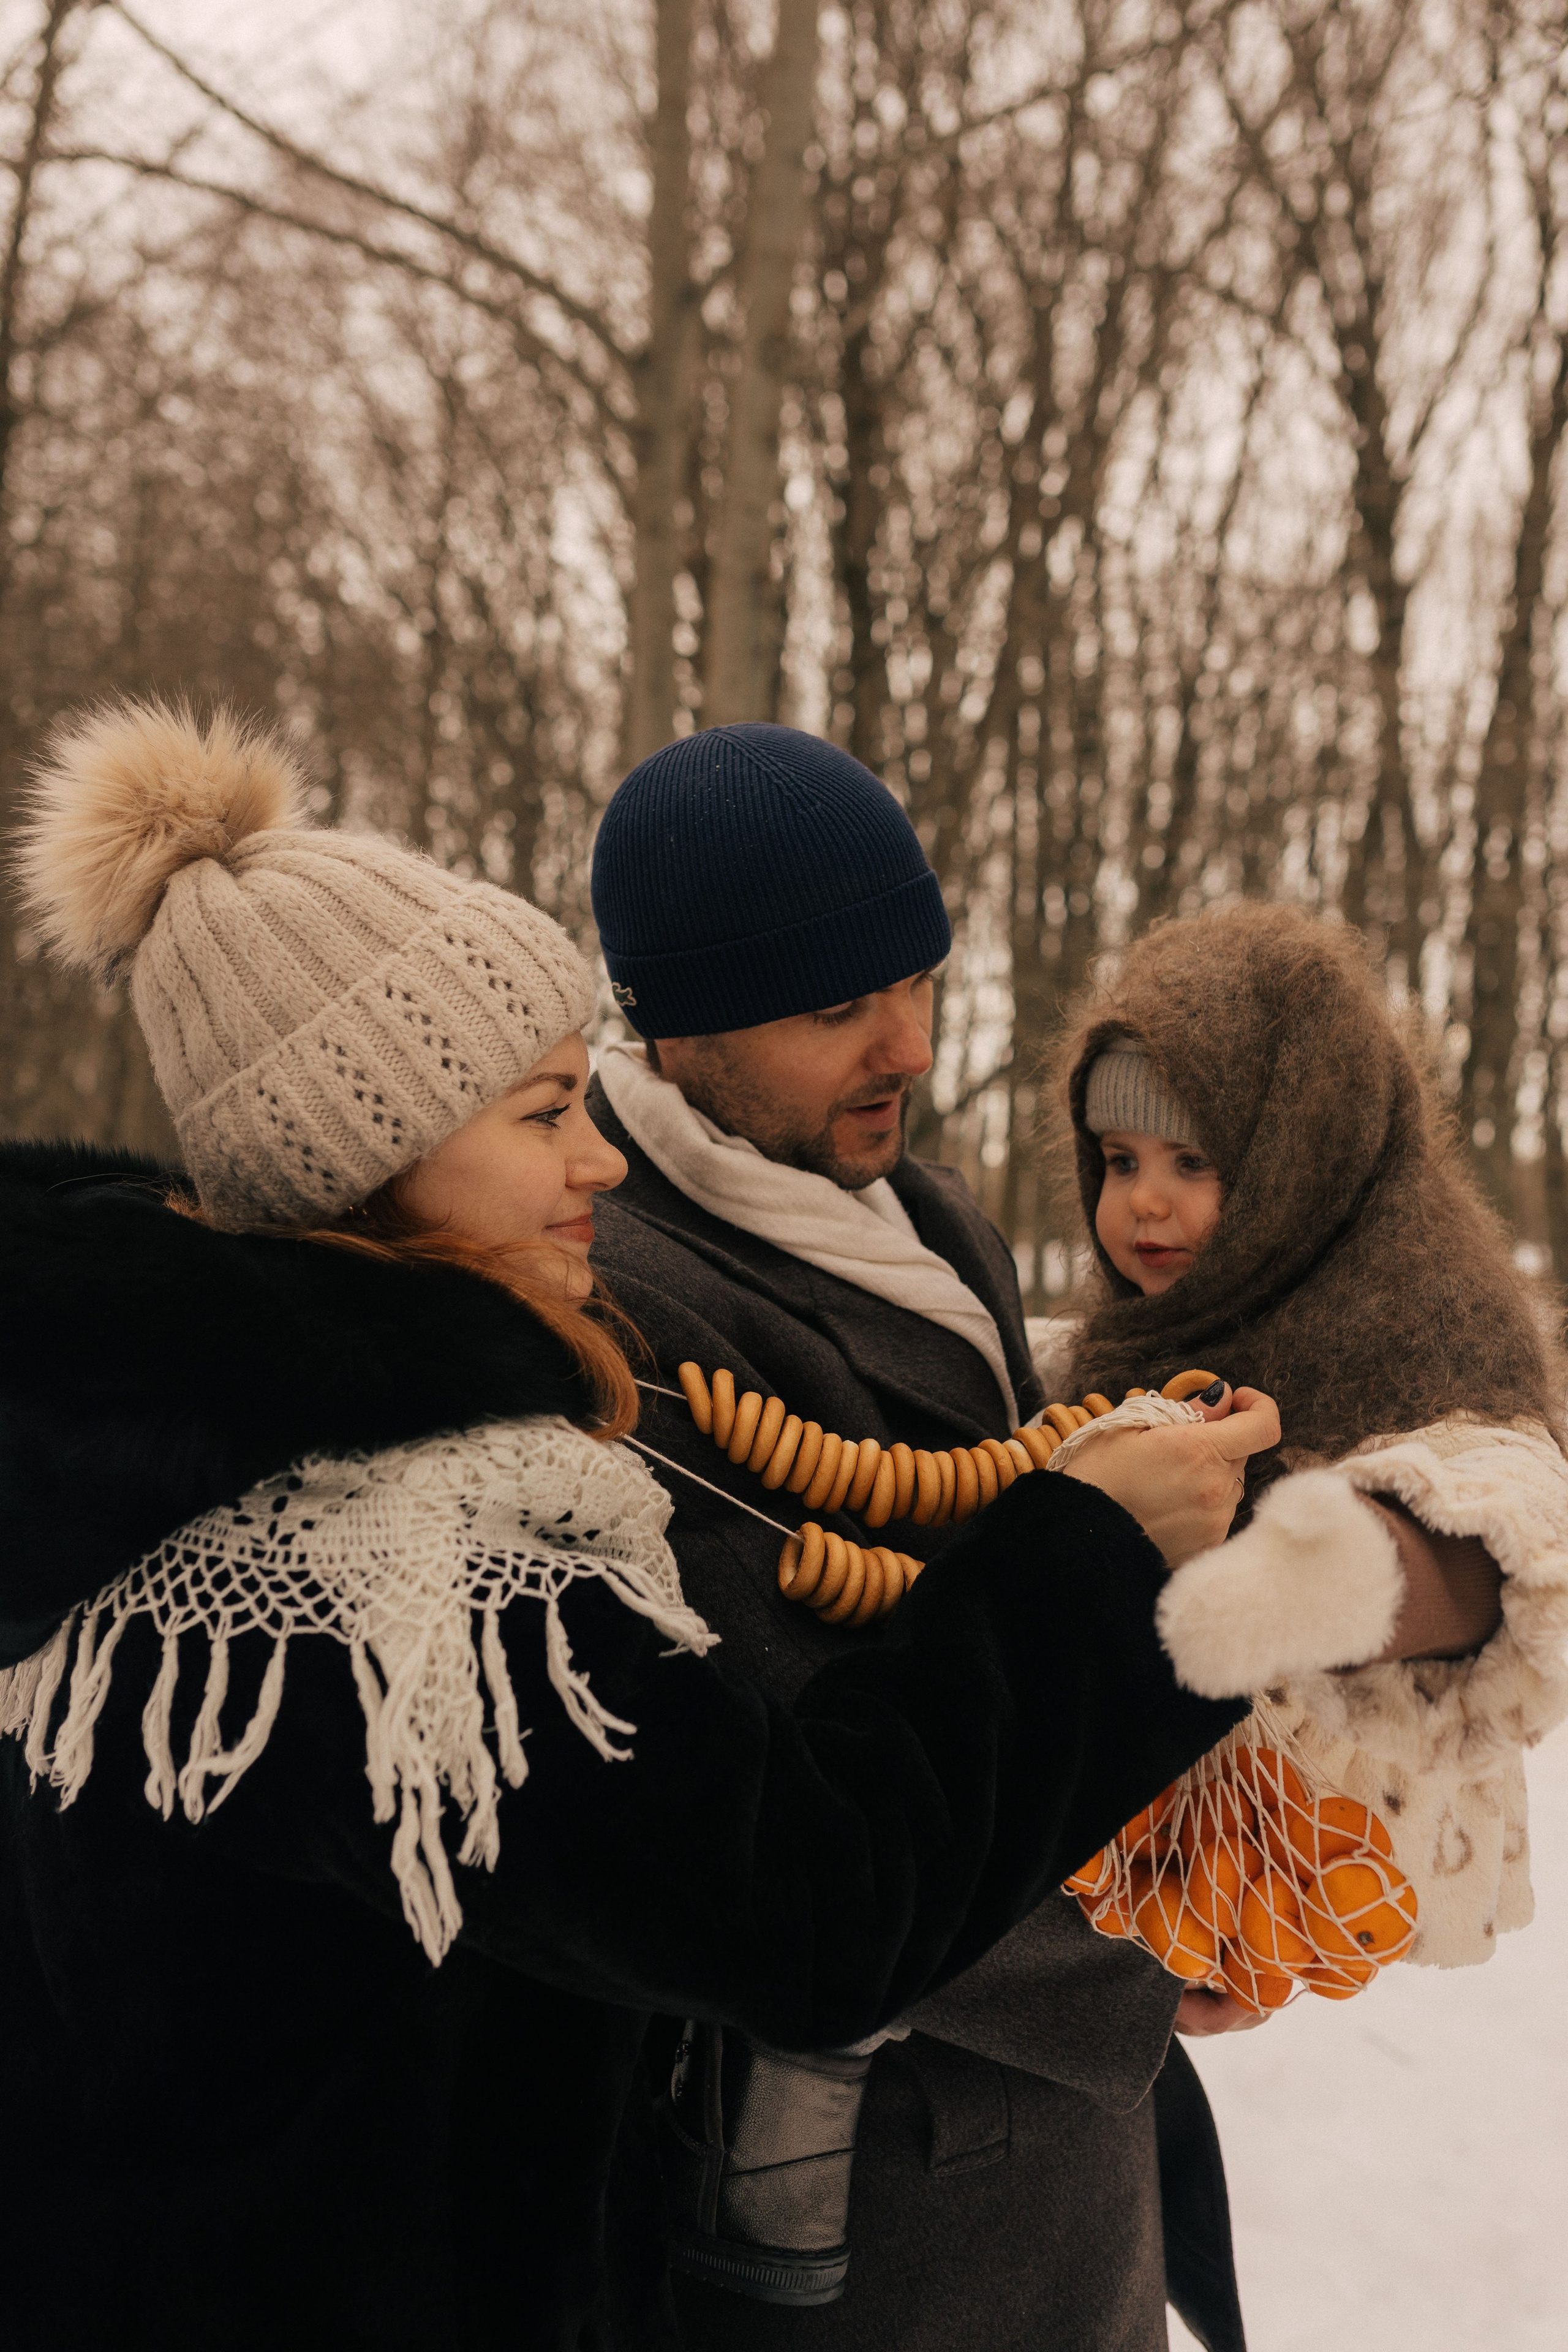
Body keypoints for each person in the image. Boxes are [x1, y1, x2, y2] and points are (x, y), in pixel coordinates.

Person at [0, 699, 1272, 2352]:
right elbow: (798, 1905)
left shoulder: (191, 1459)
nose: (594, 1157)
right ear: (373, 1156)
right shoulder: (386, 1569)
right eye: (541, 1115)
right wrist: (1090, 1553)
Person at [586, 724, 1256, 2352]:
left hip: (1057, 2158)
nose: (911, 1045)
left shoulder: (922, 1210)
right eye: (838, 1008)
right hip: (891, 2190)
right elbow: (787, 1782)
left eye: (922, 980)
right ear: (680, 1025)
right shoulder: (614, 1300)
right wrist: (1152, 1953)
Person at [1057, 901, 1568, 1970]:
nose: (1143, 1203)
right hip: (1169, 1868)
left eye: (1192, 1162)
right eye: (1117, 1159)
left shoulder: (1429, 1299)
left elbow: (1508, 1499)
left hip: (1354, 1846)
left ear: (1296, 1158)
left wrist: (1342, 1573)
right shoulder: (1137, 1333)